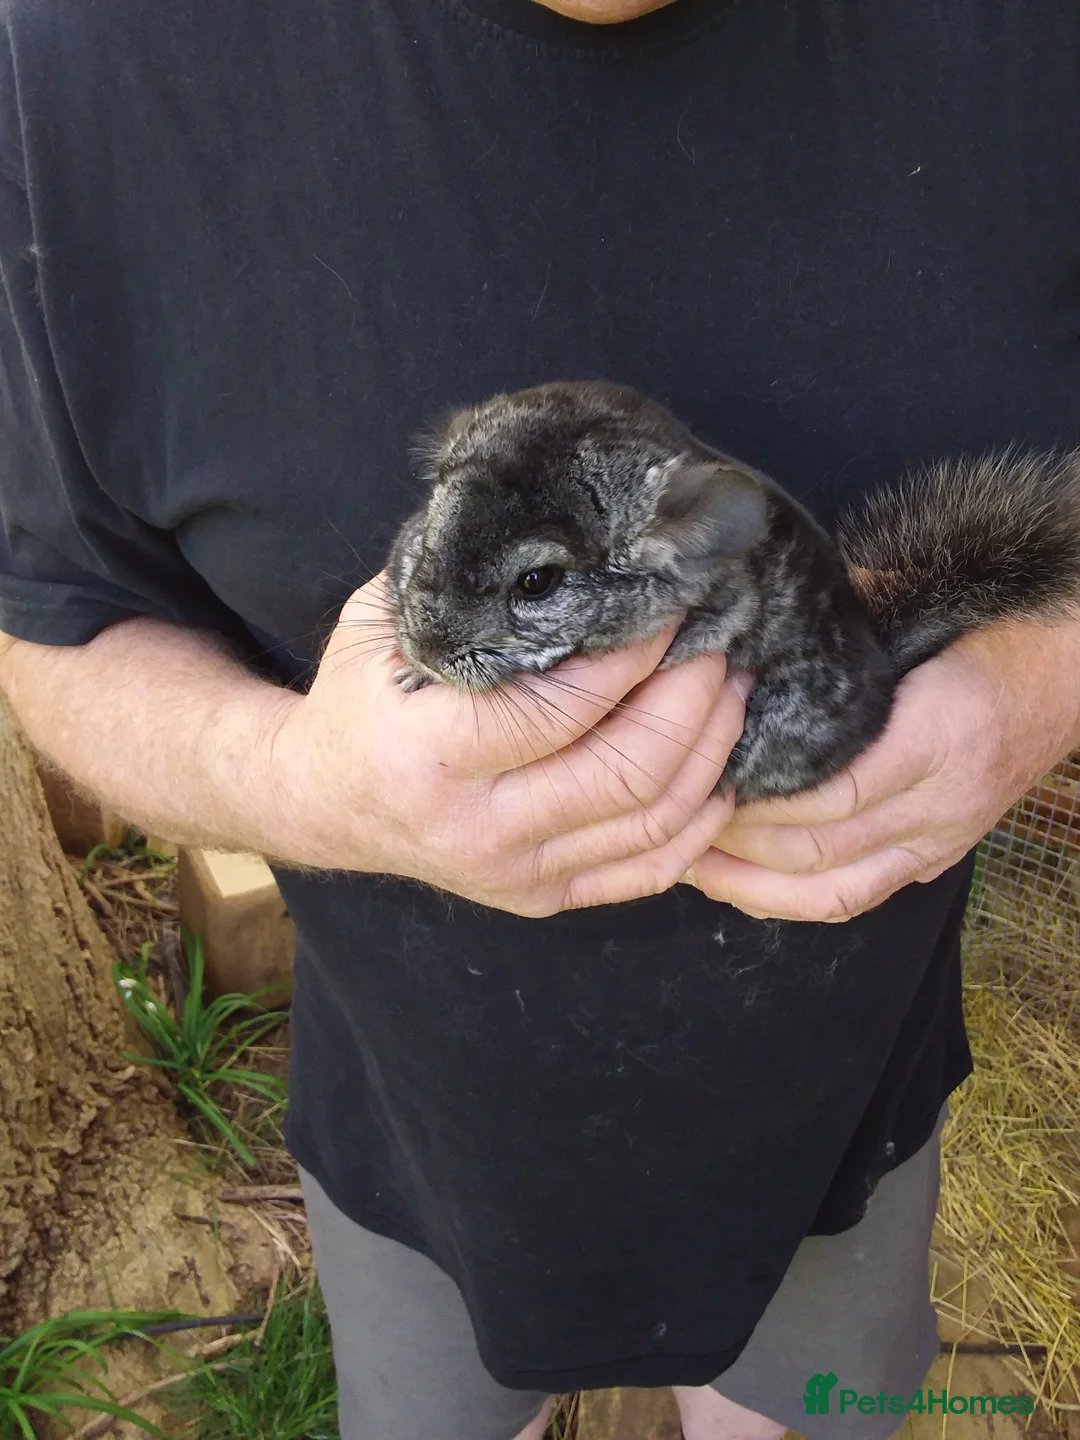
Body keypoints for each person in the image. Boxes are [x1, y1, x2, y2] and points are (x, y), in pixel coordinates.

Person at [1, 1, 1078, 1437]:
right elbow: (51, 609)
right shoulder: (76, 63)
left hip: (843, 1115)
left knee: (829, 1406)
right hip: (420, 1124)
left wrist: (1040, 684)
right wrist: (309, 787)